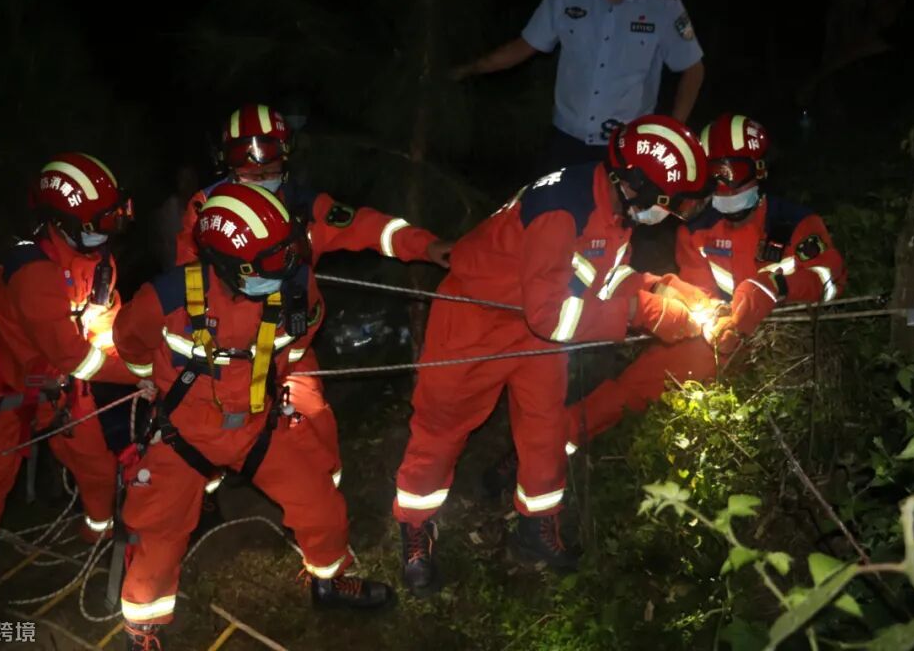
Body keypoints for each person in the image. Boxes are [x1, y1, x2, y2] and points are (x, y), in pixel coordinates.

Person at [393, 115, 712, 598]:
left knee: (544, 430)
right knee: (441, 428)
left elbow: (599, 275)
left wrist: (660, 286)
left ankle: (537, 527)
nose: (670, 214)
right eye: (669, 202)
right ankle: (416, 526)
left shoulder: (612, 204)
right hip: (477, 321)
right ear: (637, 185)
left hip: (537, 330)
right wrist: (641, 313)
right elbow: (549, 315)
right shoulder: (562, 209)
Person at [114, 183, 397, 649]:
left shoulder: (296, 288)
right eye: (272, 262)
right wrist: (154, 382)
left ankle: (329, 581)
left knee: (320, 503)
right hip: (185, 434)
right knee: (158, 534)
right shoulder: (166, 297)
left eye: (287, 255)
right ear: (229, 265)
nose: (285, 269)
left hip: (256, 428)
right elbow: (130, 342)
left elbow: (298, 345)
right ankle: (142, 628)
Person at [176, 103, 451, 486]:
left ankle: (323, 498)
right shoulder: (206, 213)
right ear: (227, 161)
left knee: (316, 425)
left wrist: (426, 246)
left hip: (292, 351)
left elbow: (367, 227)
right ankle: (207, 497)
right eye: (247, 163)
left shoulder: (304, 208)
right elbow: (185, 283)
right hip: (229, 359)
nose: (259, 173)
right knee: (202, 443)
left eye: (269, 162)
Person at [0, 153, 146, 615]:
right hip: (4, 395)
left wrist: (142, 358)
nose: (108, 232)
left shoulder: (99, 263)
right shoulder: (30, 271)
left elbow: (107, 331)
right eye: (99, 222)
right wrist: (145, 374)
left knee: (97, 466)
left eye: (114, 219)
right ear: (61, 222)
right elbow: (74, 355)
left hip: (63, 391)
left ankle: (97, 534)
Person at [556, 114, 846, 448]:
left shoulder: (794, 224)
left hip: (779, 346)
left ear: (760, 170)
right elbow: (700, 292)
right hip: (717, 341)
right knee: (633, 385)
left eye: (731, 173)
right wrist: (700, 308)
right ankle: (556, 443)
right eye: (713, 174)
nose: (723, 185)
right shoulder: (696, 230)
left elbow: (831, 279)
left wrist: (776, 288)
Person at [451, 0, 704, 172]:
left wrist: (672, 131)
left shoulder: (662, 3)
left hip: (628, 143)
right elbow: (525, 45)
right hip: (567, 139)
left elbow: (693, 69)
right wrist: (471, 68)